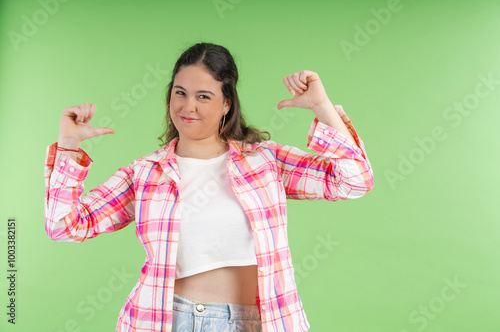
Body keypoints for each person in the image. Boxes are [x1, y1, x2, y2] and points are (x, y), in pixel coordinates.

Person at [44, 42, 374, 332]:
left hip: (260, 321)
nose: (189, 107)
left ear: (227, 103)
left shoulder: (265, 162)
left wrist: (321, 106)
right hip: (171, 320)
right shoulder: (145, 173)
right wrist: (68, 146)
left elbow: (354, 180)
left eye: (204, 96)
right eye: (180, 93)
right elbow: (64, 226)